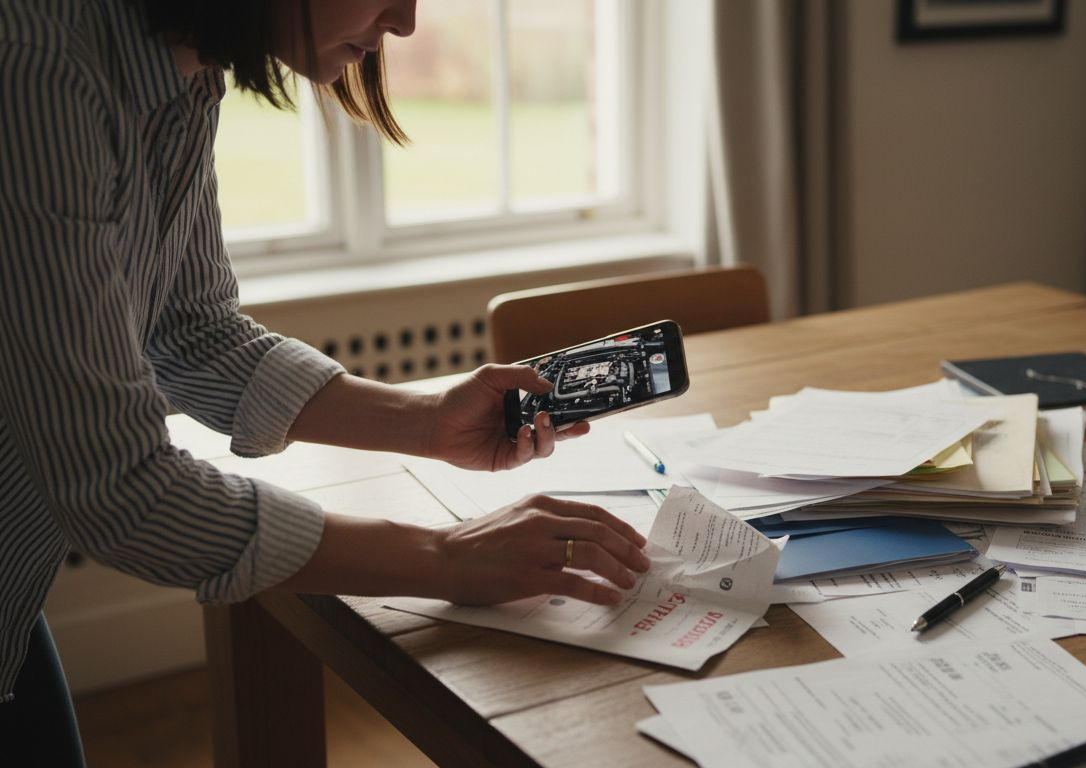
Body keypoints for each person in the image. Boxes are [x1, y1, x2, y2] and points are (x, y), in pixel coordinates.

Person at [0, 0, 650, 762]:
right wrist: (446, 559)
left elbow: (188, 330)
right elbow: (120, 491)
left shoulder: (181, 69)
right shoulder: (35, 70)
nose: (405, 22)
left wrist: (425, 420)